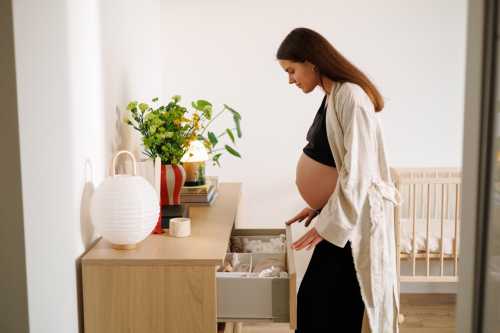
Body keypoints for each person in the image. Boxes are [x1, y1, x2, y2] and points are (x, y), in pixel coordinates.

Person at [278, 27, 401, 333]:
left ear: (311, 62)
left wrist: (329, 219)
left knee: (321, 304)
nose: (290, 80)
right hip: (339, 217)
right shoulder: (333, 95)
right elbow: (338, 163)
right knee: (327, 305)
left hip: (351, 222)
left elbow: (359, 171)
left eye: (292, 71)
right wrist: (320, 207)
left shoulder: (351, 97)